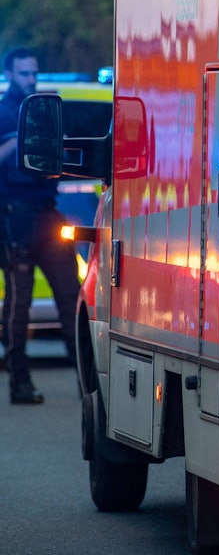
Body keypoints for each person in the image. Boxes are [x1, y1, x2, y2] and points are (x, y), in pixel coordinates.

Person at [0, 46, 80, 404]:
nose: (30, 79)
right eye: (23, 74)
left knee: (71, 299)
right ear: (9, 74)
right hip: (14, 215)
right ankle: (19, 383)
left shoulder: (46, 109)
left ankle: (89, 384)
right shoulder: (3, 110)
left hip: (48, 212)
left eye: (33, 73)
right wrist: (17, 139)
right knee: (19, 304)